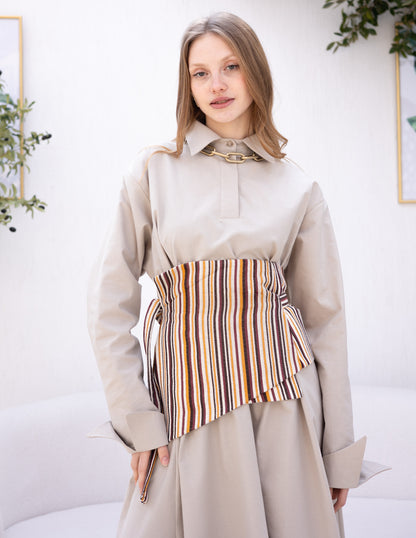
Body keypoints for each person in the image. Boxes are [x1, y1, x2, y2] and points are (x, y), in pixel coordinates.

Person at [87, 12, 382, 538]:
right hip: (184, 403)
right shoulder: (151, 172)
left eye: (231, 67)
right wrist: (138, 420)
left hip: (284, 404)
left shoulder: (298, 186)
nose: (216, 85)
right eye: (200, 73)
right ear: (188, 85)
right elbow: (107, 307)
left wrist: (338, 450)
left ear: (255, 72)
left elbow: (325, 323)